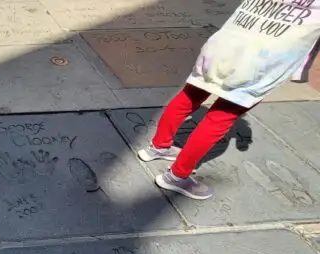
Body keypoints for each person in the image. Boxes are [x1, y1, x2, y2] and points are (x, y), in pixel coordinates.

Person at [137, 0, 320, 200]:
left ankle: (158, 147)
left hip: (223, 45)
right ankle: (177, 176)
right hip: (261, 61)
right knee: (220, 118)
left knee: (189, 95)